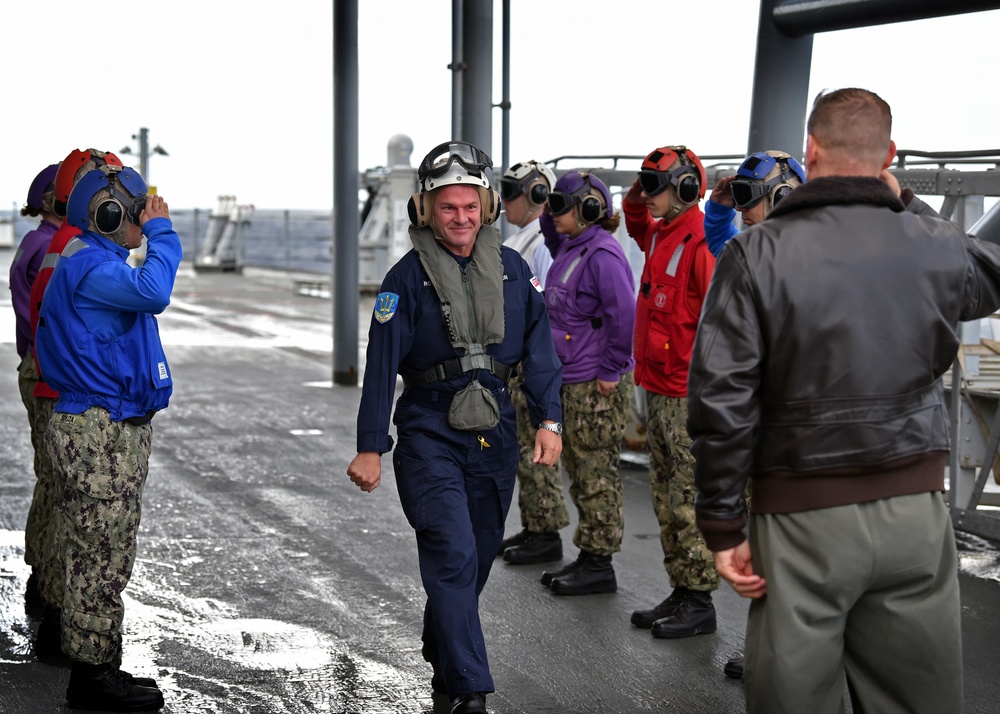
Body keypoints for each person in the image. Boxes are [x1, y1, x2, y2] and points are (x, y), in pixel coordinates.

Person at [688, 87, 1000, 714]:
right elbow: (988, 275)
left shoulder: (755, 253)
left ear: (810, 149)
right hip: (915, 509)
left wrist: (722, 523)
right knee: (919, 697)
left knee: (796, 697)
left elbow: (723, 398)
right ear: (889, 154)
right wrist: (907, 203)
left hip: (804, 514)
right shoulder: (932, 242)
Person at [346, 141, 563, 714]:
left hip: (495, 432)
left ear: (488, 206)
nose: (461, 219)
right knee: (452, 549)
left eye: (471, 207)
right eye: (448, 208)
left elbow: (539, 352)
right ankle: (469, 689)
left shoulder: (515, 273)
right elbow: (380, 368)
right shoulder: (404, 280)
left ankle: (445, 642)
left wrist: (551, 420)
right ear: (427, 209)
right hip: (428, 431)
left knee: (481, 551)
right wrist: (371, 447)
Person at [35, 163, 180, 712]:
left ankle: (94, 662)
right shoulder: (94, 269)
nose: (145, 216)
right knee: (102, 551)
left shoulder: (89, 260)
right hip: (100, 429)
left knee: (92, 546)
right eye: (137, 207)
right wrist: (163, 234)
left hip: (97, 422)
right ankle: (94, 677)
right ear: (109, 212)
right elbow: (155, 289)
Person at [701, 148, 805, 679]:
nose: (741, 209)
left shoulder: (797, 258)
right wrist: (720, 206)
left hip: (789, 428)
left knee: (786, 544)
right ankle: (776, 648)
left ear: (784, 196)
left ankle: (787, 655)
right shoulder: (754, 251)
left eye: (749, 198)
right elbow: (722, 243)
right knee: (771, 542)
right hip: (769, 424)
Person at [29, 148, 126, 656]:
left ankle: (55, 618)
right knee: (89, 531)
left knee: (65, 511)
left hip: (59, 389)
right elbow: (152, 292)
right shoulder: (80, 254)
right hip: (78, 401)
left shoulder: (62, 247)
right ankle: (74, 640)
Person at [621, 146, 720, 639]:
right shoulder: (662, 234)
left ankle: (700, 598)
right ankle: (681, 588)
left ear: (685, 189)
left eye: (659, 186)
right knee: (664, 494)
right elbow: (636, 219)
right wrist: (641, 189)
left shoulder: (699, 241)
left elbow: (723, 320)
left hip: (686, 393)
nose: (650, 197)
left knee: (687, 495)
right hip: (658, 388)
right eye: (648, 186)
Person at [534, 171, 636, 595]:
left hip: (594, 384)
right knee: (579, 470)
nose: (554, 214)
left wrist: (611, 369)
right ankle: (589, 557)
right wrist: (550, 209)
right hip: (571, 378)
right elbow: (553, 235)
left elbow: (625, 315)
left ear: (590, 210)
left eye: (563, 207)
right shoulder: (572, 248)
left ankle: (599, 563)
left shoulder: (603, 255)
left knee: (596, 473)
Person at [495, 159, 569, 565]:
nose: (505, 200)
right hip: (519, 365)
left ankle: (547, 532)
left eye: (512, 192)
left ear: (539, 195)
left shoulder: (539, 245)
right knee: (524, 449)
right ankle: (535, 525)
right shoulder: (522, 239)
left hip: (532, 363)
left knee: (538, 449)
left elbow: (543, 310)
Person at [10, 162, 60, 608]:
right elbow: (46, 321)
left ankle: (41, 576)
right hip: (45, 368)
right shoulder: (47, 246)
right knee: (54, 479)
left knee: (49, 476)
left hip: (34, 362)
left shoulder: (36, 241)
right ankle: (44, 581)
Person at [703, 149, 806, 257]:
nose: (739, 208)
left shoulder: (810, 258)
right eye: (739, 195)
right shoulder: (756, 252)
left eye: (748, 195)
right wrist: (719, 210)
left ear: (780, 198)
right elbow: (724, 243)